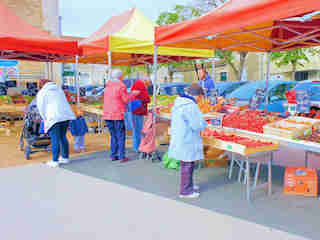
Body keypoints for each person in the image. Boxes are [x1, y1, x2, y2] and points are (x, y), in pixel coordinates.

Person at [168, 83, 208, 198]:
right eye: (201, 97)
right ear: (198, 96)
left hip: (182, 136)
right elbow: (196, 125)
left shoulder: (180, 103)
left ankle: (189, 185)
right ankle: (185, 191)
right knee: (188, 164)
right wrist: (204, 123)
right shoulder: (190, 106)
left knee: (187, 163)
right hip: (187, 138)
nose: (201, 100)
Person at [37, 79, 76, 167]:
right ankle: (65, 158)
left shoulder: (43, 92)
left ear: (41, 85)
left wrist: (44, 118)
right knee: (63, 137)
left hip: (53, 117)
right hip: (65, 116)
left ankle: (55, 161)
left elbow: (41, 107)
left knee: (55, 139)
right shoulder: (59, 90)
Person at [102, 69, 139, 163]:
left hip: (107, 114)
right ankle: (122, 156)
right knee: (121, 135)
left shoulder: (107, 86)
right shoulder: (121, 86)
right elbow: (126, 100)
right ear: (120, 77)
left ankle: (113, 155)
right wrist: (133, 94)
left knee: (113, 135)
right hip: (117, 114)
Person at [130, 78, 150, 153]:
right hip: (139, 110)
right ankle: (138, 147)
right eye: (149, 84)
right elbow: (146, 98)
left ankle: (136, 146)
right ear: (146, 81)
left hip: (135, 109)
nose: (148, 86)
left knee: (136, 130)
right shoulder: (141, 85)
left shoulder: (136, 84)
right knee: (138, 130)